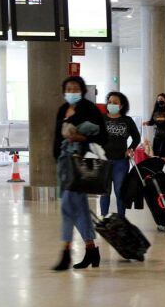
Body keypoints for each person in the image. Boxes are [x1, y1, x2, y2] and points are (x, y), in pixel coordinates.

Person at [52, 75, 107, 271]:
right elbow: (56, 137)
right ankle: (91, 250)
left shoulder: (89, 109)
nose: (72, 91)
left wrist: (79, 136)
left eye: (75, 88)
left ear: (82, 90)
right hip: (65, 164)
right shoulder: (62, 109)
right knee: (81, 209)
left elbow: (102, 135)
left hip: (81, 164)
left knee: (68, 206)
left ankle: (65, 252)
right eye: (68, 88)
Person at [100, 91, 141, 218]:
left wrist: (131, 148)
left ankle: (121, 219)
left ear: (121, 106)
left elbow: (136, 137)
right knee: (105, 192)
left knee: (119, 191)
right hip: (104, 161)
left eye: (115, 102)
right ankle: (104, 218)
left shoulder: (127, 120)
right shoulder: (101, 119)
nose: (111, 104)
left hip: (121, 162)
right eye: (110, 102)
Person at [145, 93, 165, 160]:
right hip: (158, 134)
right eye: (158, 99)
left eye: (161, 99)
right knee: (158, 154)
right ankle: (161, 169)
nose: (159, 100)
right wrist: (146, 123)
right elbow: (152, 122)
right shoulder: (156, 110)